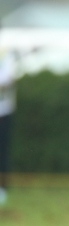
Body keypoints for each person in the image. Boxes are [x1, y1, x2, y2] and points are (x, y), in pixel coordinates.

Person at [0, 45, 17, 206]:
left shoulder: (6, 54)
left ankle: (2, 189)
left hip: (4, 113)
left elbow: (6, 80)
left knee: (2, 153)